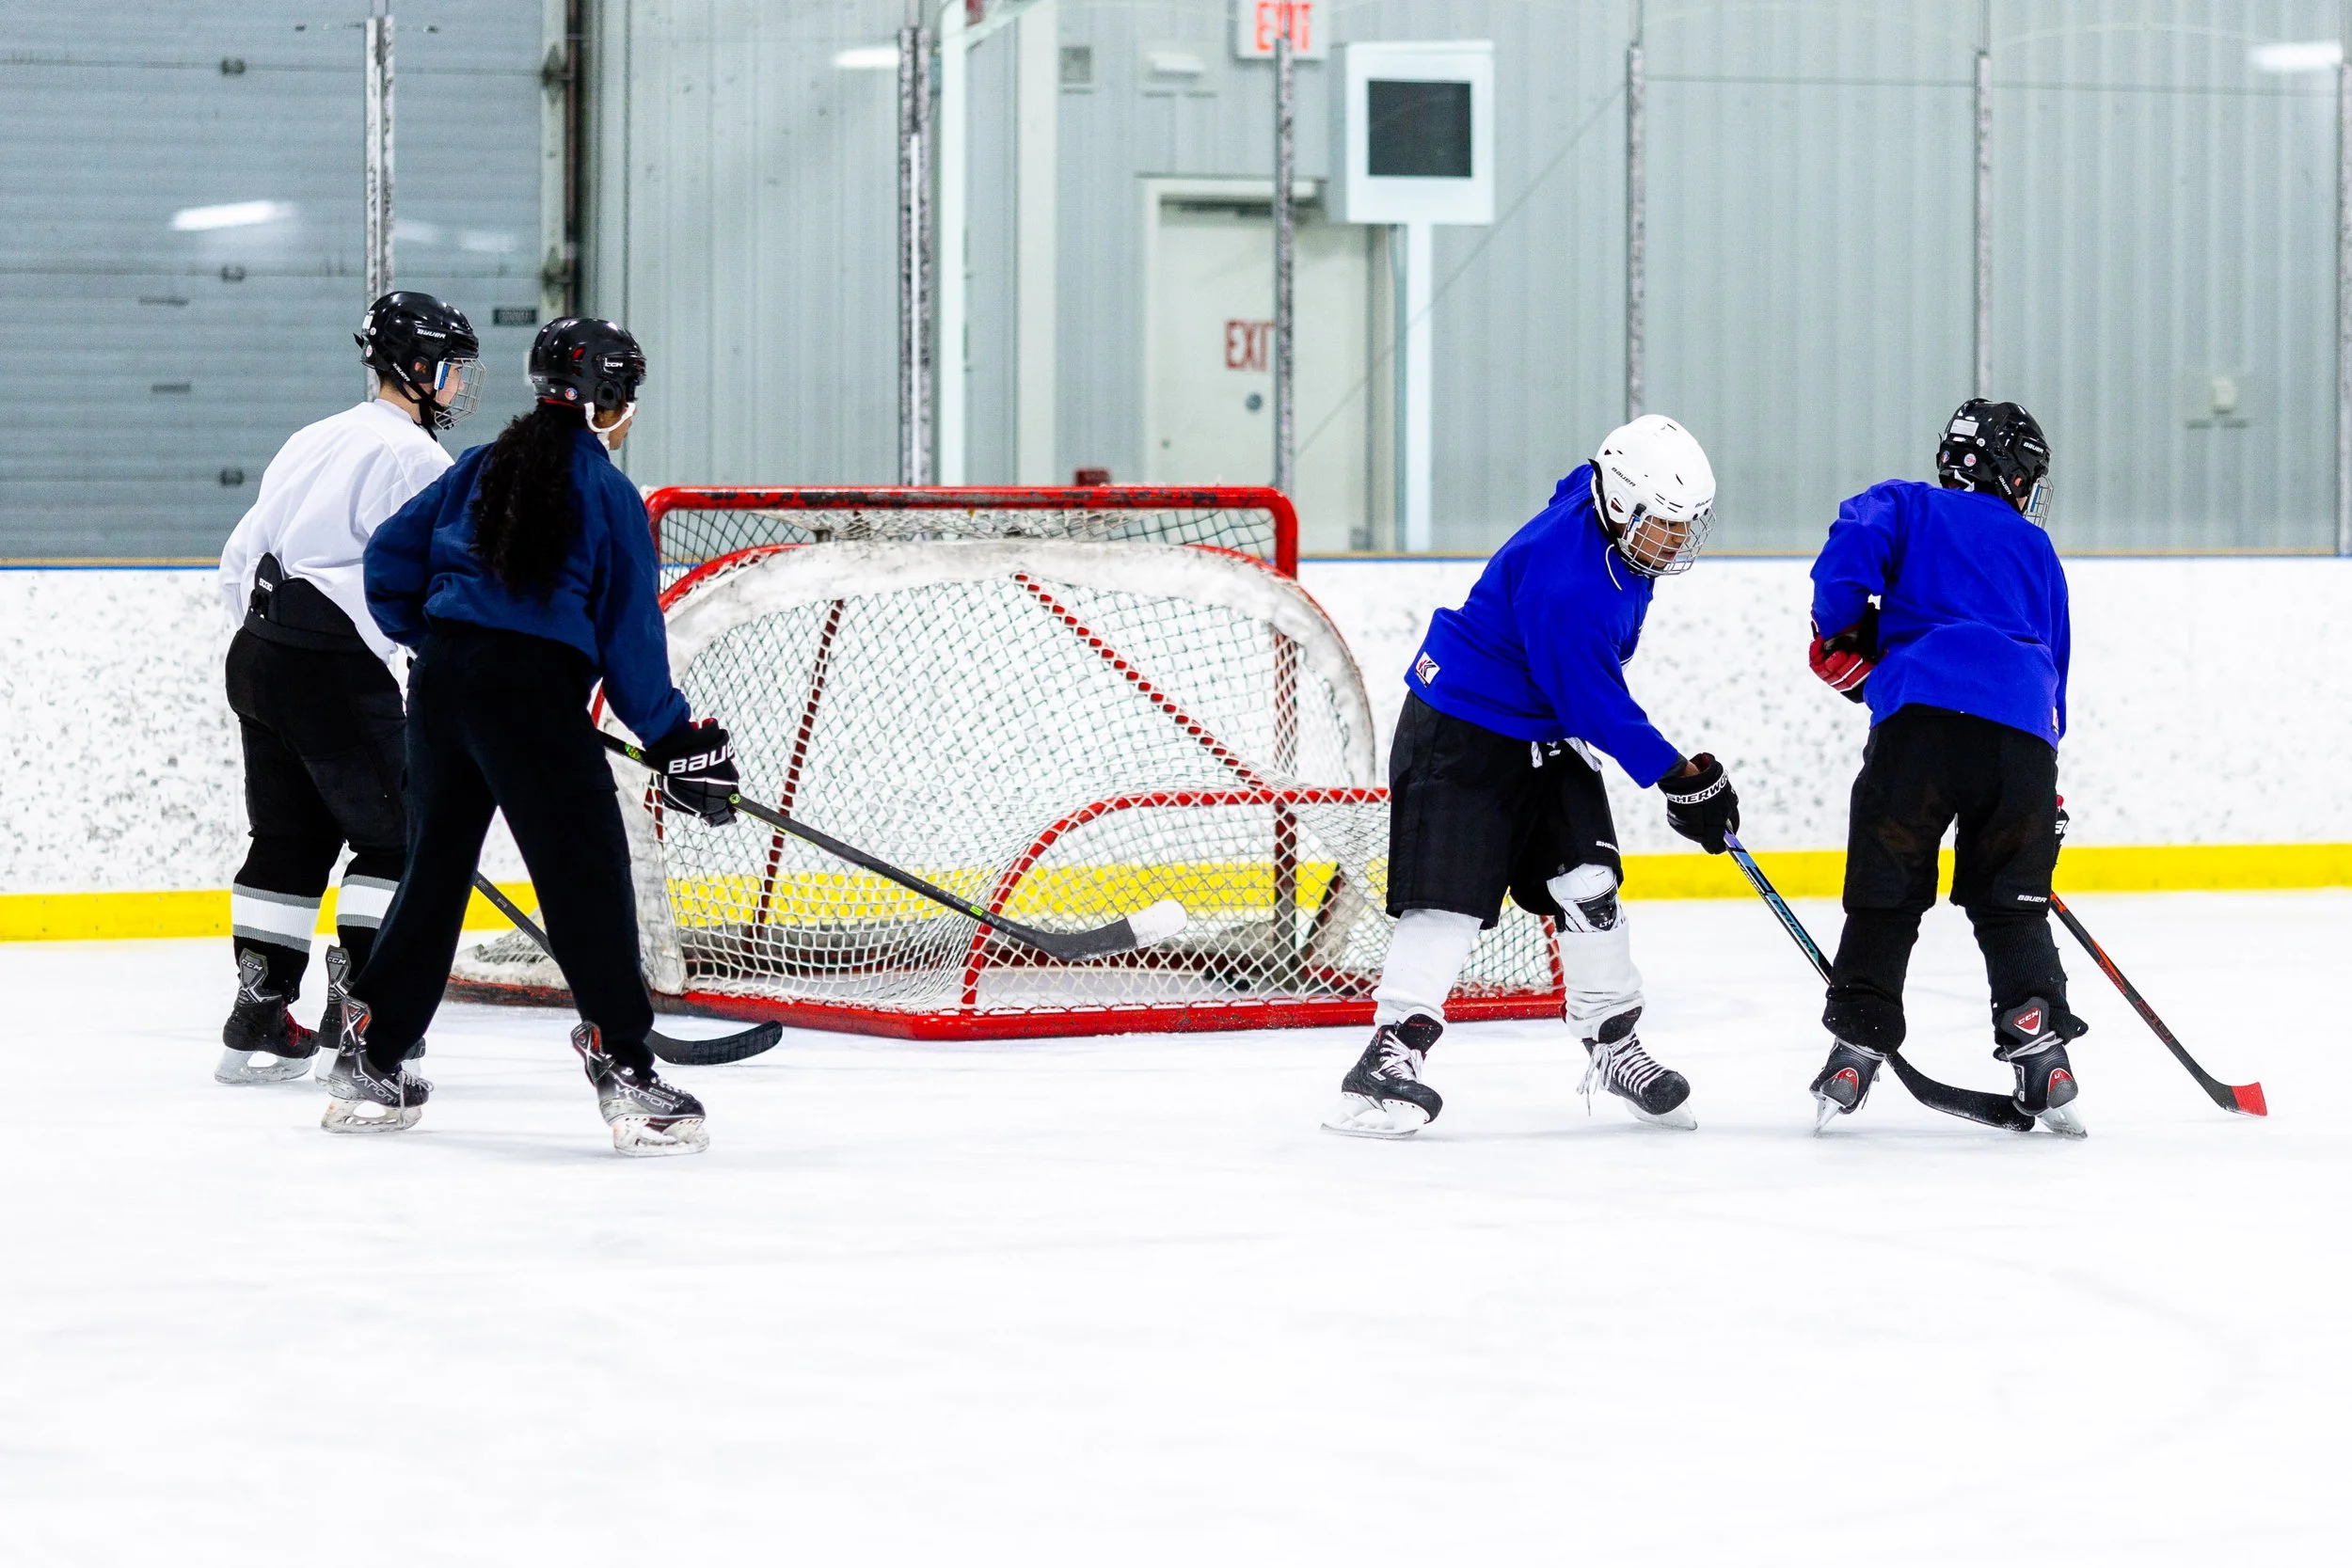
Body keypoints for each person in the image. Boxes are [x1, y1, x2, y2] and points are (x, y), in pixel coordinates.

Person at [328, 316, 741, 1156]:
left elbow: (387, 565)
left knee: (435, 867)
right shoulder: (609, 494)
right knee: (584, 872)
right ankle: (625, 1066)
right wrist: (676, 738)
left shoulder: (480, 466)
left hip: (442, 684)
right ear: (608, 400)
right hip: (529, 696)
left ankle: (370, 1054)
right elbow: (631, 647)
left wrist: (447, 645)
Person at [1324, 416, 1743, 1138]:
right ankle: (1389, 1056)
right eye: (1662, 524)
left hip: (1539, 733)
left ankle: (1612, 1044)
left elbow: (1572, 483)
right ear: (1618, 505)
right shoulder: (1570, 585)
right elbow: (1594, 703)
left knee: (1589, 884)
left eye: (1686, 525)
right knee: (1447, 902)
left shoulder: (1597, 500)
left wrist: (1680, 777)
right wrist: (1680, 777)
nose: (1674, 542)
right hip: (1460, 729)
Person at [211, 292, 482, 1085]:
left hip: (258, 656)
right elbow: (419, 586)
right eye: (452, 369)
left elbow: (241, 556)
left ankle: (257, 1013)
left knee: (290, 838)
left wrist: (288, 646)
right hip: (333, 669)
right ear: (418, 367)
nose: (458, 385)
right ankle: (365, 1015)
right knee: (401, 838)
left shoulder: (316, 435)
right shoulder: (415, 459)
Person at [1804, 399, 2082, 1135]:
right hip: (2019, 741)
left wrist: (1843, 624)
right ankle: (2037, 1041)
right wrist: (2043, 784)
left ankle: (1858, 1040)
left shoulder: (1901, 503)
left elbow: (1846, 554)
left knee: (1887, 886)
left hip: (1918, 726)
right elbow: (2055, 670)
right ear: (2012, 473)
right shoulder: (2034, 546)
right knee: (2010, 897)